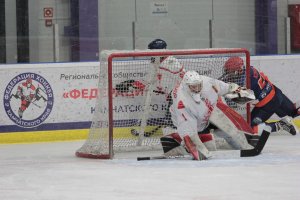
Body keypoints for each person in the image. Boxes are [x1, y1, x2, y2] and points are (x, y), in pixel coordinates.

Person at [161, 70, 258, 160]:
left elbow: (226, 87)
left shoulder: (207, 82)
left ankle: (245, 145)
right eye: (193, 86)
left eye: (198, 85)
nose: (197, 88)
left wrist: (238, 90)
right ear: (187, 86)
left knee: (229, 128)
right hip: (191, 123)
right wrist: (198, 149)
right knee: (209, 147)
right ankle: (175, 139)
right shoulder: (182, 102)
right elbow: (188, 131)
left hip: (208, 112)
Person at [222, 56, 299, 136]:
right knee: (294, 112)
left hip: (268, 104)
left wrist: (226, 93)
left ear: (239, 70)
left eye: (230, 72)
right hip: (276, 93)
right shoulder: (250, 68)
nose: (228, 74)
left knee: (249, 129)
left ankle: (280, 125)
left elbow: (242, 99)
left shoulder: (245, 82)